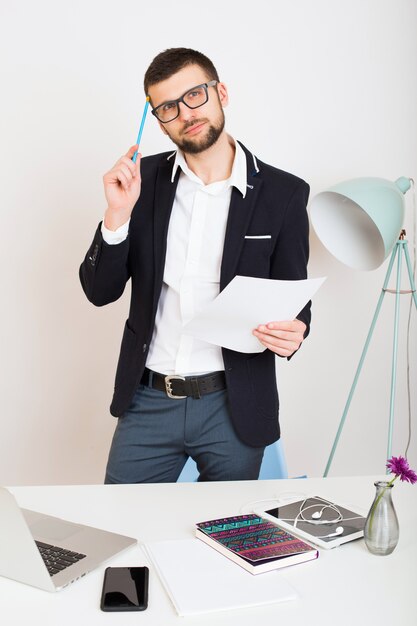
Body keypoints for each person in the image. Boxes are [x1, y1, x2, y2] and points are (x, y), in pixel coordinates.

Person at [80, 47, 310, 483]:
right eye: (168, 107)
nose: (186, 113)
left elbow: (293, 301)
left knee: (228, 542)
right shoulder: (139, 183)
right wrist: (116, 217)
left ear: (220, 92)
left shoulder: (285, 194)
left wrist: (296, 331)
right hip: (148, 399)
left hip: (234, 404)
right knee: (123, 533)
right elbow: (99, 292)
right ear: (157, 119)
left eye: (195, 96)